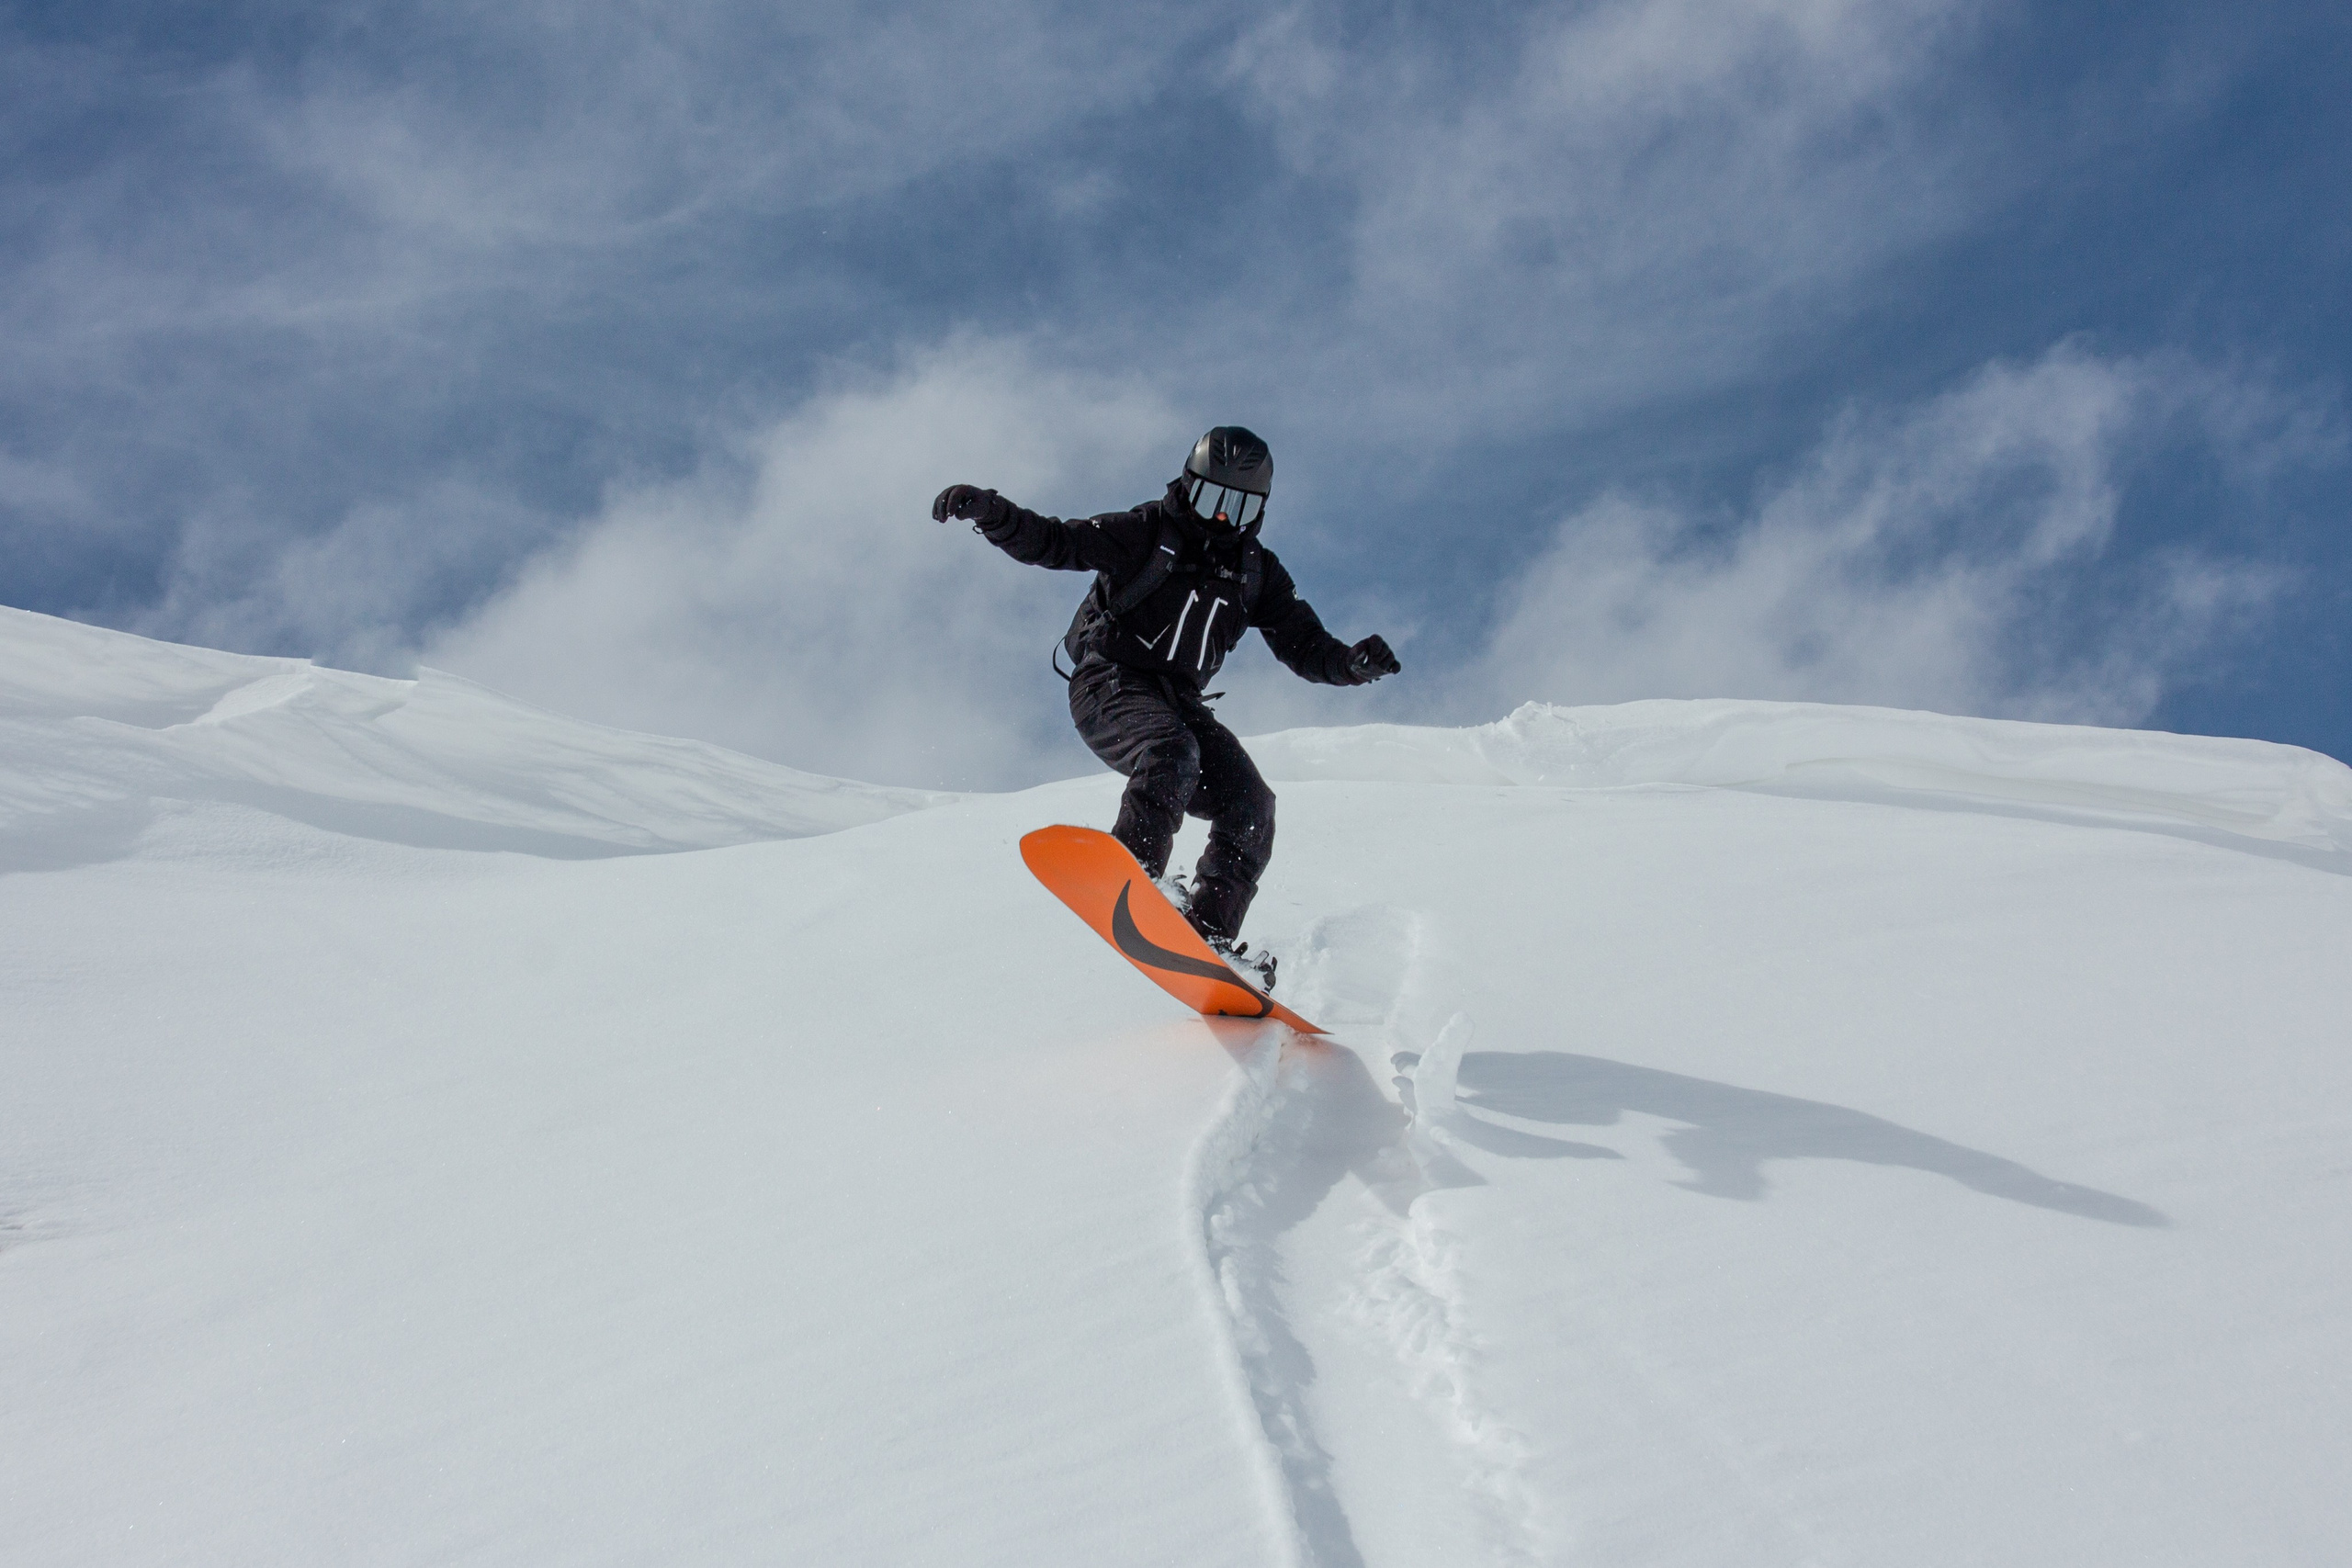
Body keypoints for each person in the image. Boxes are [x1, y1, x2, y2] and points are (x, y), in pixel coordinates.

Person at [933, 426, 1398, 985]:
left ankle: (1208, 934)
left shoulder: (1257, 573)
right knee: (1171, 751)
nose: (1221, 517)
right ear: (1187, 484)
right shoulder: (1147, 532)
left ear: (1259, 510)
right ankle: (1133, 872)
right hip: (1109, 682)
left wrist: (1351, 664)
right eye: (1211, 498)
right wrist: (993, 513)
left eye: (1238, 506)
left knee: (1252, 805)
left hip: (1179, 702)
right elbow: (1056, 541)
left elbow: (1305, 646)